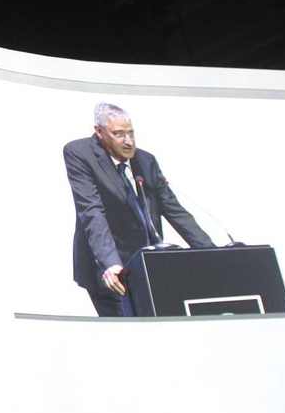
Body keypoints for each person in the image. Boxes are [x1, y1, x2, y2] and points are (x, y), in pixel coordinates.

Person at [65, 102, 213, 317]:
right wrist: (111, 264)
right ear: (100, 132)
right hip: (111, 272)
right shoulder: (80, 153)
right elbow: (92, 212)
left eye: (131, 133)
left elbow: (176, 212)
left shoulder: (145, 161)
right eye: (119, 134)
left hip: (149, 268)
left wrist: (211, 252)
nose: (129, 141)